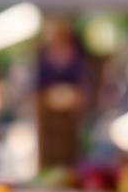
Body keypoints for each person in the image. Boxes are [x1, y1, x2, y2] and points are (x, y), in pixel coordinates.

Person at [35, 21, 90, 170]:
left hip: (69, 112)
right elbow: (38, 84)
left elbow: (82, 83)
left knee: (68, 149)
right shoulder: (44, 54)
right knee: (48, 148)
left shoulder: (76, 56)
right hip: (48, 112)